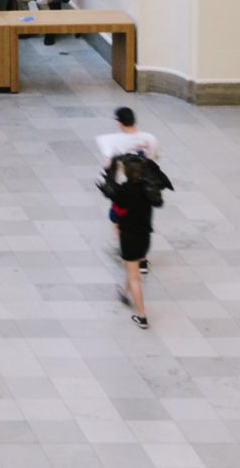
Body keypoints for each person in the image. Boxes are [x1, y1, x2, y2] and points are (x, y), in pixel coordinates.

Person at [99, 109, 170, 328]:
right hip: (144, 235)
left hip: (129, 237)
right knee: (133, 266)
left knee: (133, 275)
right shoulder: (149, 193)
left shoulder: (123, 193)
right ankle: (123, 291)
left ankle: (142, 315)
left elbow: (113, 200)